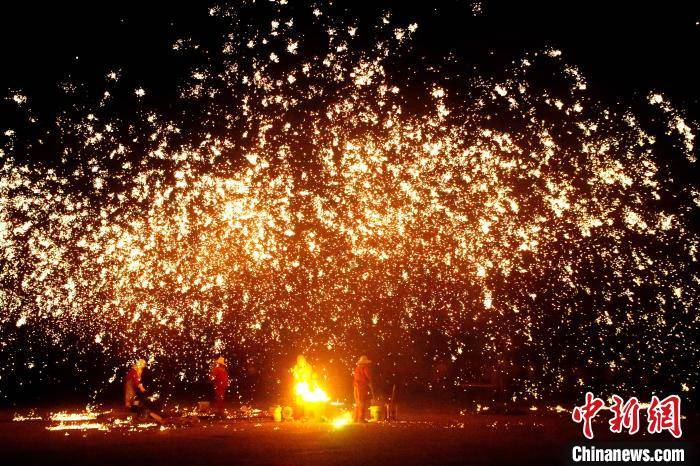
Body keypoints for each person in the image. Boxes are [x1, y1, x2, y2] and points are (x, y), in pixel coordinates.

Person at [123, 358, 164, 424]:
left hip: (133, 389)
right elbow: (136, 381)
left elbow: (138, 382)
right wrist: (142, 389)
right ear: (140, 364)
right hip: (130, 389)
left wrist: (142, 389)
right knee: (132, 402)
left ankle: (139, 413)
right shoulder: (134, 371)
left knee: (137, 402)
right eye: (143, 364)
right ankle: (136, 414)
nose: (144, 366)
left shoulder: (137, 371)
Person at [353, 355, 374, 423]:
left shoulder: (357, 368)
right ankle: (361, 419)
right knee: (362, 402)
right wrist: (370, 382)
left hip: (356, 387)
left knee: (357, 402)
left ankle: (355, 418)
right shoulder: (365, 367)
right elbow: (368, 376)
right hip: (361, 387)